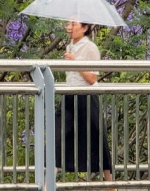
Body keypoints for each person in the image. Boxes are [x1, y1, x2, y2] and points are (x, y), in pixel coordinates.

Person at [55, 20, 114, 183]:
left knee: (97, 139)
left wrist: (75, 63)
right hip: (68, 95)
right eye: (68, 23)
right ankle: (47, 185)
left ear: (84, 28)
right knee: (57, 137)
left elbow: (92, 78)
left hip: (86, 97)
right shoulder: (70, 47)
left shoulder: (90, 48)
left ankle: (110, 183)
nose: (69, 27)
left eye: (73, 24)